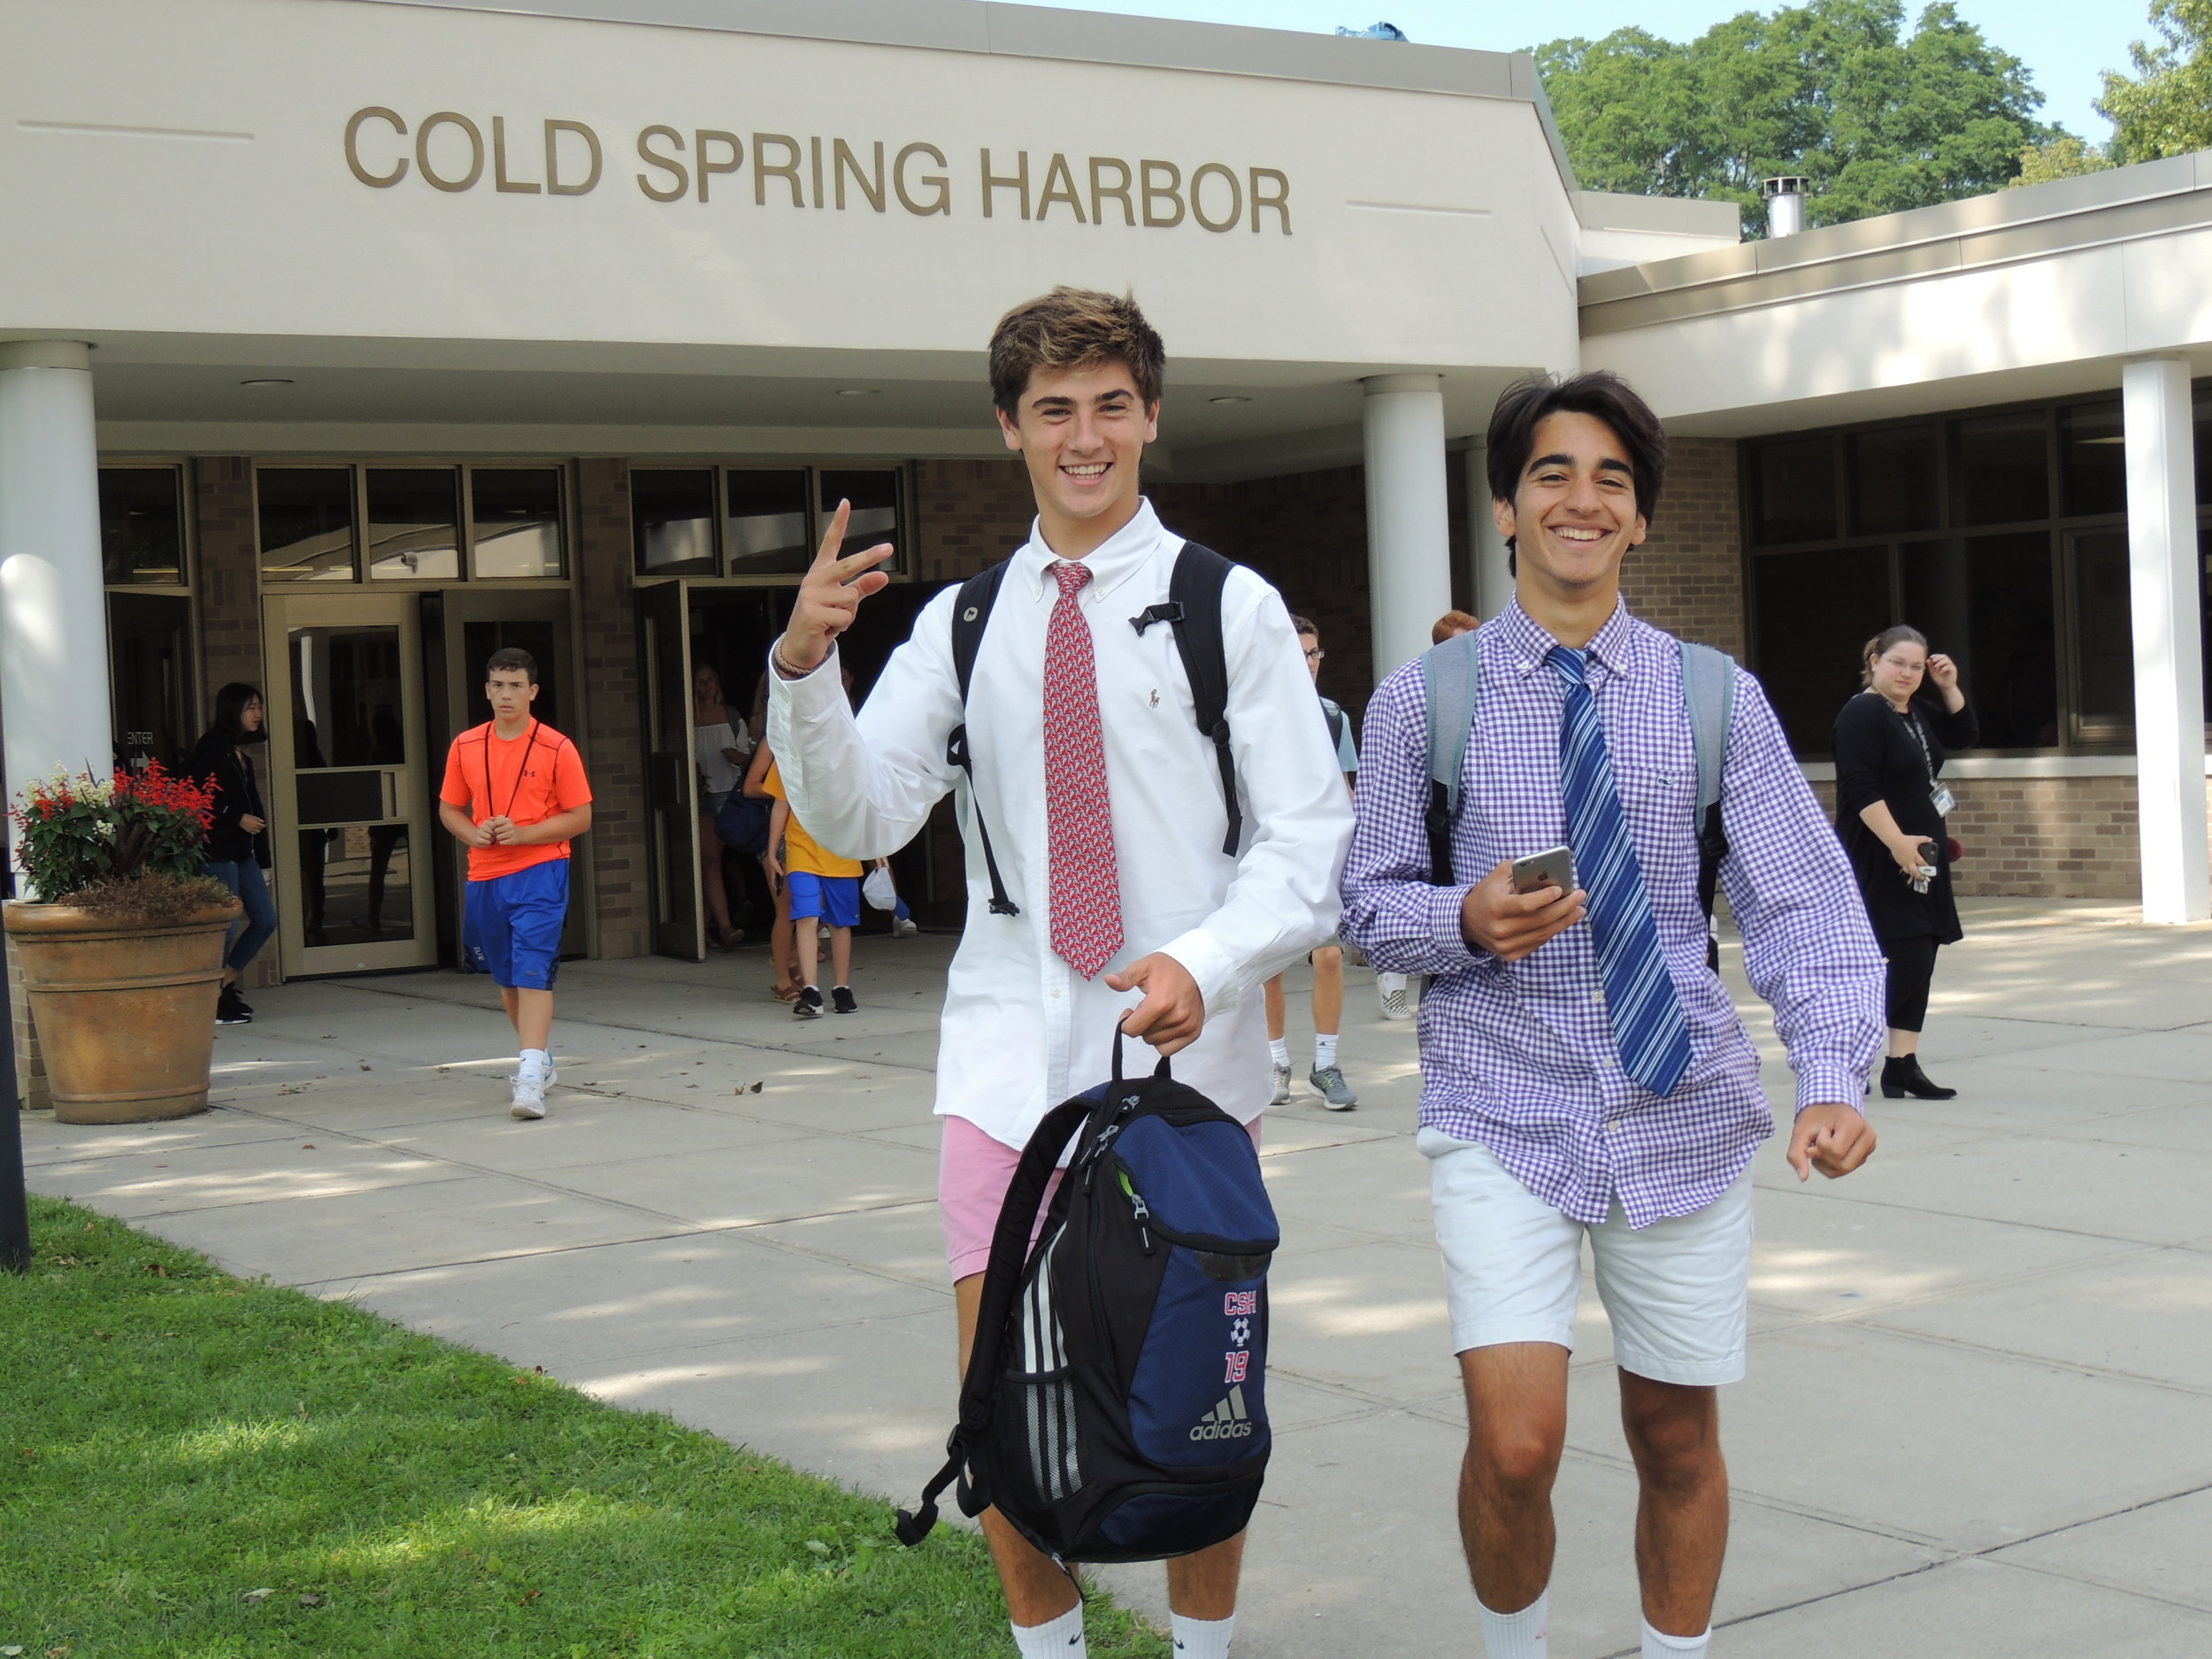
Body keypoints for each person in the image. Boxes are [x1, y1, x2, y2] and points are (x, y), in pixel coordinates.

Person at [765, 287, 1352, 1659]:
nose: (1082, 437)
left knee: (1196, 1409)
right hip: (1003, 1061)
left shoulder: (1229, 606)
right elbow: (860, 816)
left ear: (1150, 415)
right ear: (1009, 430)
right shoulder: (967, 621)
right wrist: (805, 664)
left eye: (1108, 405)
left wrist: (1206, 959)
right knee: (1001, 1404)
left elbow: (1311, 839)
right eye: (1052, 411)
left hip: (1187, 1076)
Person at [1340, 370, 1884, 1659]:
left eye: (1612, 480)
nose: (1582, 499)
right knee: (1517, 1443)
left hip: (1679, 1104)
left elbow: (1802, 901)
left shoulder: (1715, 697)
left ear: (1638, 519)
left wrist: (1834, 1075)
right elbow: (1364, 901)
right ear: (1506, 507)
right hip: (1502, 1104)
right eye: (1553, 474)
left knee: (1675, 1434)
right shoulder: (1427, 700)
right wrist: (1462, 921)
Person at [436, 648, 593, 1120]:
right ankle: (540, 1060)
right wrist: (474, 832)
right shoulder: (465, 745)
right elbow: (449, 809)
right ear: (487, 690)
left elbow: (580, 816)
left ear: (532, 692)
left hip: (541, 870)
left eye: (516, 686)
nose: (506, 694)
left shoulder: (557, 747)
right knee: (506, 979)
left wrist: (523, 833)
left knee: (532, 970)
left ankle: (528, 1078)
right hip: (485, 875)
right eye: (498, 685)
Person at [1832, 625, 1977, 1101]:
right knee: (1891, 956)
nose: (1908, 674)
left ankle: (1901, 1064)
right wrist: (1896, 843)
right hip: (1878, 852)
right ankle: (1846, 1056)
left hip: (1922, 851)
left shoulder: (1915, 713)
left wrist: (1949, 685)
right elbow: (1860, 789)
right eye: (1899, 663)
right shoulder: (1861, 715)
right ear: (1875, 660)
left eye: (1917, 667)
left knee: (1922, 952)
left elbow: (1965, 734)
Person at [1263, 615, 1360, 1109]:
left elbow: (1346, 788)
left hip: (1318, 856)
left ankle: (1326, 1065)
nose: (1308, 663)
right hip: (1266, 855)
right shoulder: (1254, 709)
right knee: (1270, 965)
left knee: (1328, 956)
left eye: (1314, 653)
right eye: (1298, 653)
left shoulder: (1332, 716)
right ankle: (1276, 1061)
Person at [189, 682, 276, 1026]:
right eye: (250, 708)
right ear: (233, 711)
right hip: (218, 850)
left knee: (265, 919)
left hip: (244, 853)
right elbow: (197, 794)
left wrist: (265, 861)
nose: (257, 714)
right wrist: (235, 816)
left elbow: (257, 807)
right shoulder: (213, 746)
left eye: (259, 707)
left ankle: (223, 981)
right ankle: (216, 998)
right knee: (226, 924)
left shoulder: (242, 754)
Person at [761, 750, 861, 1017]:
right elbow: (781, 804)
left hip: (841, 848)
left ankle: (842, 988)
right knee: (806, 916)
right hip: (801, 849)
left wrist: (875, 846)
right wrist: (772, 852)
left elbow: (863, 800)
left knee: (840, 922)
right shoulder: (788, 757)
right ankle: (812, 992)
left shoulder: (849, 754)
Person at [693, 662, 751, 949]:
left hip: (732, 793)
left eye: (711, 679)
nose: (707, 685)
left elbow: (748, 753)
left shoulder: (730, 715)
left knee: (740, 857)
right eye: (701, 681)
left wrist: (738, 757)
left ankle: (705, 930)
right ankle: (726, 927)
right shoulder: (689, 717)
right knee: (710, 863)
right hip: (704, 795)